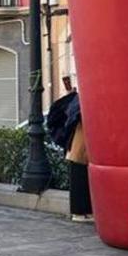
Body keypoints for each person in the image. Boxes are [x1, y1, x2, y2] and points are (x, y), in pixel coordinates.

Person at [48, 86, 89, 222]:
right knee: (80, 182)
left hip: (75, 150)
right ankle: (79, 213)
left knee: (79, 181)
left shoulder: (77, 105)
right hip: (79, 152)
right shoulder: (83, 108)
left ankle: (81, 212)